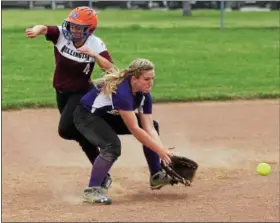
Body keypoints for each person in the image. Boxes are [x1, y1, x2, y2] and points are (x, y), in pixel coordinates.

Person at [25, 6, 114, 190]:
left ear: (89, 29)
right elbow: (44, 28)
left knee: (65, 129)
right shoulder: (61, 36)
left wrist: (95, 55)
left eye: (78, 27)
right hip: (61, 92)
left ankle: (102, 142)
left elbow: (110, 69)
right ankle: (103, 175)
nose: (73, 29)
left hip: (81, 93)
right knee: (80, 135)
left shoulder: (96, 44)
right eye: (72, 25)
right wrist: (36, 29)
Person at [73, 58, 175, 205]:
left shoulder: (144, 94)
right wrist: (160, 151)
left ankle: (156, 174)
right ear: (134, 78)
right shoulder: (123, 93)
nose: (150, 83)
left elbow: (149, 127)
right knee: (112, 146)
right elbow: (135, 129)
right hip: (86, 116)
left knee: (154, 125)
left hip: (105, 116)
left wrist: (163, 152)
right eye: (146, 79)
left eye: (152, 78)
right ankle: (92, 190)